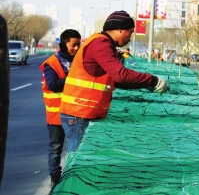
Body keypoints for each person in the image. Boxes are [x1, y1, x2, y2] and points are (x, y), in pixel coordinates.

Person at [59, 11, 170, 153]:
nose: (130, 38)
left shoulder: (103, 43)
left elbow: (115, 80)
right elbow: (120, 75)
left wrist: (144, 83)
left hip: (83, 112)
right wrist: (152, 80)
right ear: (120, 29)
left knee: (83, 158)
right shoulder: (101, 43)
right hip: (78, 113)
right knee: (77, 160)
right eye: (130, 32)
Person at [39, 29, 81, 189]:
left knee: (76, 148)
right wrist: (73, 78)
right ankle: (55, 179)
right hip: (56, 114)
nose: (76, 48)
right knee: (56, 148)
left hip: (76, 113)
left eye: (78, 45)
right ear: (63, 44)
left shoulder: (80, 61)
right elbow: (52, 84)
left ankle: (74, 178)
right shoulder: (52, 63)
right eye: (73, 45)